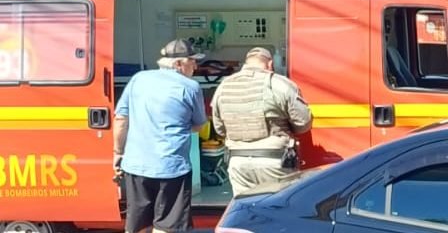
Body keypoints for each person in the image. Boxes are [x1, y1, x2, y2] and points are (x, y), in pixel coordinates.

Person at [113, 39, 208, 233]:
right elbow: (199, 126)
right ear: (179, 64)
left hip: (136, 165)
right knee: (167, 225)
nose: (196, 66)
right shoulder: (191, 87)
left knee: (138, 223)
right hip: (172, 168)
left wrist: (117, 152)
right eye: (192, 61)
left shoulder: (138, 79)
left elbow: (121, 119)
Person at [211, 47, 312, 197]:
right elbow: (304, 122)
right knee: (278, 209)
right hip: (274, 160)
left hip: (238, 162)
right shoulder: (280, 84)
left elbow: (219, 129)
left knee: (245, 211)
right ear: (270, 64)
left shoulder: (224, 86)